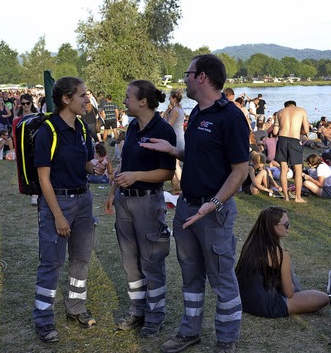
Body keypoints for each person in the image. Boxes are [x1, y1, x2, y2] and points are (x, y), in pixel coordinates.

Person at [142, 54, 248, 353]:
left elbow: (240, 170)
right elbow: (201, 157)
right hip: (187, 207)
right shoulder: (198, 114)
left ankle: (226, 341)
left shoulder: (231, 117)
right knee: (190, 275)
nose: (184, 78)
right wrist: (173, 150)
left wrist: (214, 203)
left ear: (202, 77)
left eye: (188, 73)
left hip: (213, 213)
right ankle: (190, 332)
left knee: (222, 279)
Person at [103, 80, 176, 338]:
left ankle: (155, 315)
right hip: (125, 201)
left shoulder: (163, 129)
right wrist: (114, 190)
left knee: (152, 261)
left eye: (127, 97)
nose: (124, 101)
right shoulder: (133, 126)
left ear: (142, 102)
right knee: (129, 261)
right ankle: (138, 310)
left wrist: (135, 177)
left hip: (148, 202)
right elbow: (124, 162)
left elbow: (167, 172)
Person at [32, 77, 97, 343]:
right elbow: (44, 178)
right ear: (66, 99)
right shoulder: (48, 130)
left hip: (83, 200)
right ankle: (44, 319)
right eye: (82, 95)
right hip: (58, 202)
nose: (87, 100)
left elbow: (85, 164)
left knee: (81, 260)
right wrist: (57, 214)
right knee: (51, 263)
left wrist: (96, 167)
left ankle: (76, 308)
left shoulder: (81, 127)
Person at [236, 207, 329, 318]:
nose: (289, 227)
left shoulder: (250, 245)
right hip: (266, 306)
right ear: (273, 226)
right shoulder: (280, 254)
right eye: (286, 224)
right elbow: (289, 293)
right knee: (323, 298)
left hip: (242, 300)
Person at [273, 100, 309, 203]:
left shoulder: (280, 112)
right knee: (298, 170)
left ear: (285, 106)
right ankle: (298, 197)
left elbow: (275, 132)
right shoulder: (301, 111)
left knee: (284, 169)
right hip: (294, 140)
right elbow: (306, 130)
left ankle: (286, 197)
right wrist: (299, 131)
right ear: (294, 105)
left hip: (282, 140)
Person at [165, 88, 185, 193]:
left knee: (174, 164)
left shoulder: (174, 111)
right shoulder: (181, 109)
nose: (168, 99)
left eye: (170, 97)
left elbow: (168, 126)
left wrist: (166, 113)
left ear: (174, 98)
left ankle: (180, 184)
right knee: (175, 163)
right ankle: (177, 185)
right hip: (181, 137)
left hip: (175, 138)